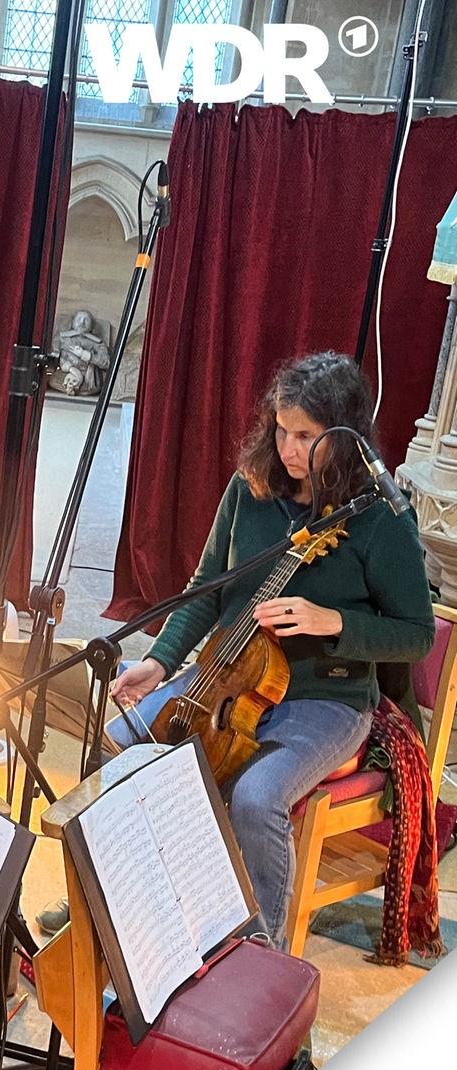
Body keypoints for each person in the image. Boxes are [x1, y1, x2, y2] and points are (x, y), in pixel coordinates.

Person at [96, 352, 434, 946]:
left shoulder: (379, 519)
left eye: (305, 435)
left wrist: (331, 620)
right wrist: (160, 662)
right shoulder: (248, 490)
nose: (288, 447)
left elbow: (415, 634)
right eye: (281, 429)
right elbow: (208, 590)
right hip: (227, 676)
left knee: (254, 797)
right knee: (123, 749)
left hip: (326, 698)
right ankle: (129, 922)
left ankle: (258, 960)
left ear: (345, 436)